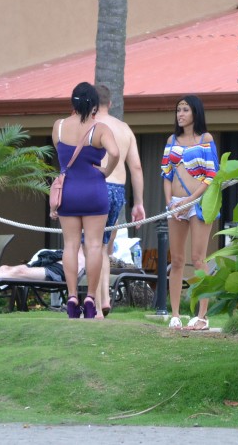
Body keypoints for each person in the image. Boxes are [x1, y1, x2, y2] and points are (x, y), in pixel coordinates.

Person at [52, 82, 120, 319]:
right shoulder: (99, 129)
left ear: (73, 102)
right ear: (94, 105)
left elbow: (61, 157)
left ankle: (72, 298)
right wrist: (105, 172)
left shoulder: (59, 127)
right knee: (93, 245)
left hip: (69, 191)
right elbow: (115, 153)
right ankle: (91, 298)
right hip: (94, 190)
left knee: (70, 245)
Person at [161, 94, 219, 330]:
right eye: (178, 110)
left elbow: (211, 176)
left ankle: (202, 316)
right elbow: (166, 174)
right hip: (175, 204)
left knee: (197, 258)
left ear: (195, 112)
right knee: (176, 260)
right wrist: (170, 203)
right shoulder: (171, 139)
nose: (180, 114)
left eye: (185, 109)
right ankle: (175, 314)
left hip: (199, 202)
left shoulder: (206, 138)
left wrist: (189, 199)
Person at [93, 84, 146, 316]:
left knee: (93, 247)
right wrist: (139, 203)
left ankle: (95, 304)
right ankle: (104, 298)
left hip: (95, 186)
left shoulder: (90, 126)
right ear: (110, 103)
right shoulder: (124, 128)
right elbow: (136, 166)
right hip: (117, 191)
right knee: (104, 249)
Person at [0, 248, 84, 286]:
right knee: (5, 268)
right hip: (54, 260)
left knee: (19, 272)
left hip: (61, 270)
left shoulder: (93, 237)